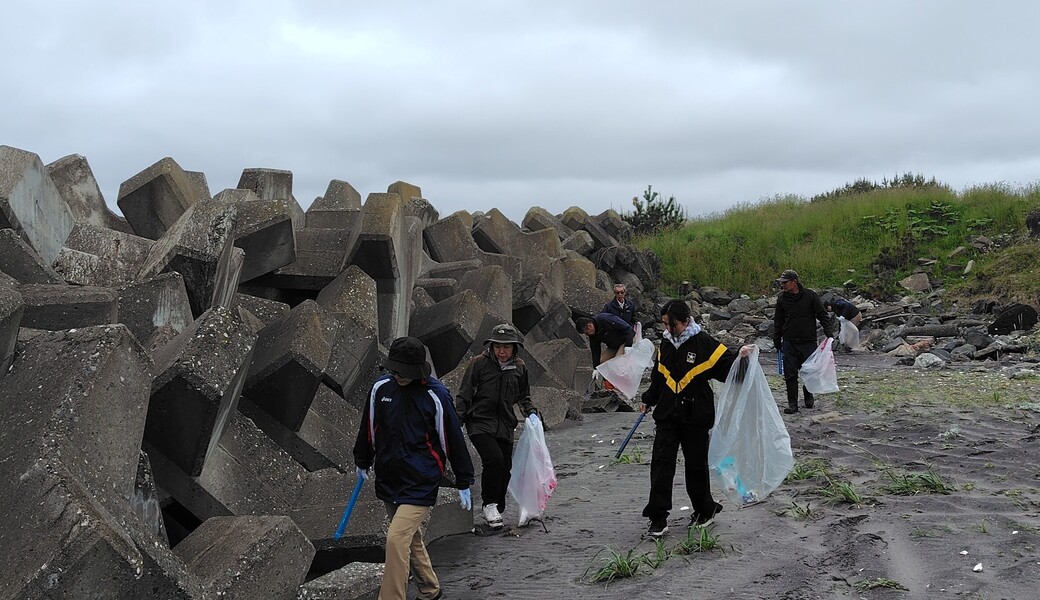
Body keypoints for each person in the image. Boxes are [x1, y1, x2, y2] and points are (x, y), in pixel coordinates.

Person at [354, 336, 474, 600]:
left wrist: (464, 480)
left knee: (396, 539)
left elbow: (452, 437)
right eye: (394, 370)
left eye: (403, 372)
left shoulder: (436, 394)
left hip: (422, 478)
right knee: (411, 537)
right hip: (388, 476)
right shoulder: (380, 389)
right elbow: (369, 427)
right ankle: (430, 590)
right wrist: (362, 460)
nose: (398, 376)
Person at [640, 299, 751, 538]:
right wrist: (648, 398)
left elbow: (729, 372)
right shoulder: (665, 345)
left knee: (696, 467)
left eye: (672, 325)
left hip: (696, 417)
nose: (668, 330)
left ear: (686, 321)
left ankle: (704, 510)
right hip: (668, 416)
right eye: (665, 325)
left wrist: (742, 359)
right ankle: (658, 517)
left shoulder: (704, 343)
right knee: (661, 465)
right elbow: (659, 379)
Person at [455, 323, 540, 530]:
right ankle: (489, 505)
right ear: (491, 347)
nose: (502, 352)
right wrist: (458, 420)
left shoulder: (520, 367)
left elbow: (523, 396)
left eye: (507, 347)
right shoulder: (478, 364)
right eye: (497, 347)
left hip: (505, 423)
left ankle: (497, 505)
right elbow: (464, 393)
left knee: (505, 468)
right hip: (480, 421)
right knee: (493, 460)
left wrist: (531, 412)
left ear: (514, 348)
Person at [773, 269, 836, 415]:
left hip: (808, 341)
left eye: (785, 282)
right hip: (789, 341)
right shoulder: (782, 299)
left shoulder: (810, 296)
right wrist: (777, 339)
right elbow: (778, 321)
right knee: (790, 374)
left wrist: (828, 332)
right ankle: (793, 404)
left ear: (794, 282)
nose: (782, 285)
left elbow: (822, 314)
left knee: (809, 371)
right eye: (781, 283)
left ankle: (808, 396)